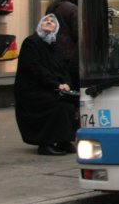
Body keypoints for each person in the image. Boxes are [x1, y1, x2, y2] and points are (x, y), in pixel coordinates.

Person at [13, 14, 77, 155]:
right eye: (46, 20)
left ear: (56, 27)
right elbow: (34, 68)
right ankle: (46, 142)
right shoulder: (31, 42)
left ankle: (63, 140)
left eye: (52, 21)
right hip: (33, 89)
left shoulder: (54, 46)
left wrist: (66, 83)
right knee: (56, 104)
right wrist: (55, 85)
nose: (49, 22)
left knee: (69, 103)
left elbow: (63, 68)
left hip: (50, 86)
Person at [46, 0, 79, 90]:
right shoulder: (72, 9)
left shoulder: (51, 6)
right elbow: (77, 33)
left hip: (53, 50)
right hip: (68, 54)